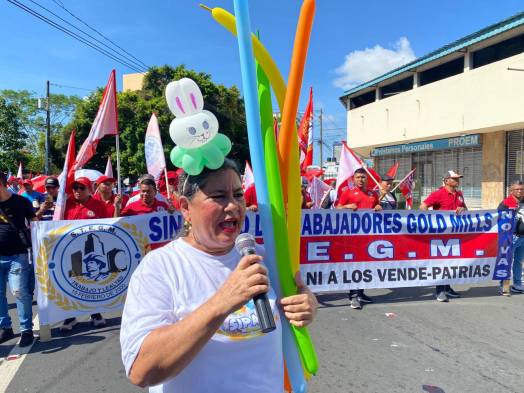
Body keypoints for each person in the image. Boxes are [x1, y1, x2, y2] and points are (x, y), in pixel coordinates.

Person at [120, 159, 317, 392]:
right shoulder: (159, 267)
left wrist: (307, 304)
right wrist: (222, 302)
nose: (233, 205)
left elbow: (297, 304)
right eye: (219, 196)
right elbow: (142, 370)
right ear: (185, 208)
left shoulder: (263, 258)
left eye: (238, 194)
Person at [60, 177, 111, 331]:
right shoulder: (65, 204)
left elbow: (109, 226)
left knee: (91, 282)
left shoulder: (98, 205)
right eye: (75, 188)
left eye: (82, 188)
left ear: (89, 189)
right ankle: (70, 316)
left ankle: (95, 313)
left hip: (91, 253)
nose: (77, 191)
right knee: (72, 283)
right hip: (70, 252)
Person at [336, 168, 382, 310]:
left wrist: (379, 206)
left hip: (369, 236)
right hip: (352, 236)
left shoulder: (373, 194)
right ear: (353, 179)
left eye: (363, 177)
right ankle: (354, 295)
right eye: (358, 177)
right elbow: (337, 208)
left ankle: (361, 292)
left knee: (366, 265)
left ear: (366, 179)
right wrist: (347, 206)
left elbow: (376, 207)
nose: (361, 180)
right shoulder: (347, 193)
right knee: (354, 265)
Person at [0, 172, 36, 347]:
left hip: (18, 255)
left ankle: (26, 329)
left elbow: (36, 224)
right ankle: (5, 328)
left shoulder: (21, 202)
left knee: (19, 292)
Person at [420, 170, 467, 302]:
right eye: (454, 179)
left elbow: (465, 210)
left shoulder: (459, 194)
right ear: (446, 180)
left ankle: (447, 288)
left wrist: (463, 210)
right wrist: (432, 220)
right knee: (441, 263)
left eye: (458, 179)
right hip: (440, 235)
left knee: (451, 262)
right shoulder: (438, 194)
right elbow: (423, 207)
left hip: (455, 234)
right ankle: (439, 291)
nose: (457, 181)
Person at [497, 181, 524, 295]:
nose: (520, 191)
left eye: (522, 189)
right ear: (511, 191)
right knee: (506, 262)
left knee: (518, 262)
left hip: (523, 238)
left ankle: (517, 284)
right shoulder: (505, 203)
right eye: (517, 189)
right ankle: (504, 286)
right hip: (511, 237)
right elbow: (498, 219)